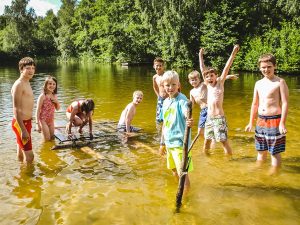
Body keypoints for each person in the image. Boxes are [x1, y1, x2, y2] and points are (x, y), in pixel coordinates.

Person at [245, 54, 288, 171]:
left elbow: (285, 103)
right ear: (259, 68)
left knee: (274, 152)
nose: (266, 69)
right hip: (260, 121)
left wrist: (282, 123)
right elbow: (254, 104)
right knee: (260, 150)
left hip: (275, 120)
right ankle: (260, 172)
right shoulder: (258, 83)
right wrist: (250, 122)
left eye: (269, 67)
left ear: (275, 66)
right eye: (263, 67)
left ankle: (274, 174)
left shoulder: (280, 82)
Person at [199, 45, 240, 155]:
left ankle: (230, 161)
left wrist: (233, 53)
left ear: (216, 76)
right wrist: (200, 55)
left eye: (211, 76)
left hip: (218, 118)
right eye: (207, 77)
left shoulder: (220, 83)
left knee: (223, 141)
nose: (209, 78)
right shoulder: (207, 85)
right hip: (209, 118)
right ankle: (206, 159)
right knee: (206, 141)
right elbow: (202, 68)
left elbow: (227, 66)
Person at [159, 70, 193, 190]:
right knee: (173, 169)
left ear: (178, 85)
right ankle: (179, 189)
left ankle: (185, 198)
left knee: (183, 173)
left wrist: (188, 119)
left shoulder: (182, 99)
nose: (170, 87)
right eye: (167, 85)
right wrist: (162, 143)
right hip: (169, 143)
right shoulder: (165, 102)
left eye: (174, 84)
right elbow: (164, 124)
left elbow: (186, 112)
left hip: (180, 144)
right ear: (163, 86)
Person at [11, 57, 36, 163]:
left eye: (33, 68)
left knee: (21, 151)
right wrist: (23, 130)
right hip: (21, 124)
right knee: (30, 156)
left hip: (26, 122)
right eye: (28, 68)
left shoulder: (27, 82)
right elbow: (15, 108)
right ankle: (29, 178)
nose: (31, 71)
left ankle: (21, 174)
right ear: (21, 69)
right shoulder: (19, 84)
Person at [35, 76, 60, 141]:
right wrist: (37, 124)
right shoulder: (42, 96)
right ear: (46, 85)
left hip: (51, 120)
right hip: (43, 120)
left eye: (54, 84)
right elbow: (37, 111)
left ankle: (48, 150)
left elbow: (58, 108)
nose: (52, 85)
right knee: (47, 140)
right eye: (50, 84)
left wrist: (57, 102)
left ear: (56, 85)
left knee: (52, 138)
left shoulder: (54, 95)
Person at [152, 57, 167, 125]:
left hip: (168, 98)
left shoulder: (167, 75)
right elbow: (154, 87)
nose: (158, 67)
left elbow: (178, 85)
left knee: (168, 117)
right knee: (158, 118)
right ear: (154, 66)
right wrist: (158, 96)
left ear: (163, 66)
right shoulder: (154, 77)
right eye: (157, 65)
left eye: (160, 65)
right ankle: (158, 133)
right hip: (160, 99)